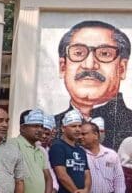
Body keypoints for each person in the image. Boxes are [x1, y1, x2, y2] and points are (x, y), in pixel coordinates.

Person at [53, 21, 132, 150]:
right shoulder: (48, 127)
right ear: (63, 67)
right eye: (78, 53)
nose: (89, 64)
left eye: (104, 54)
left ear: (122, 69)